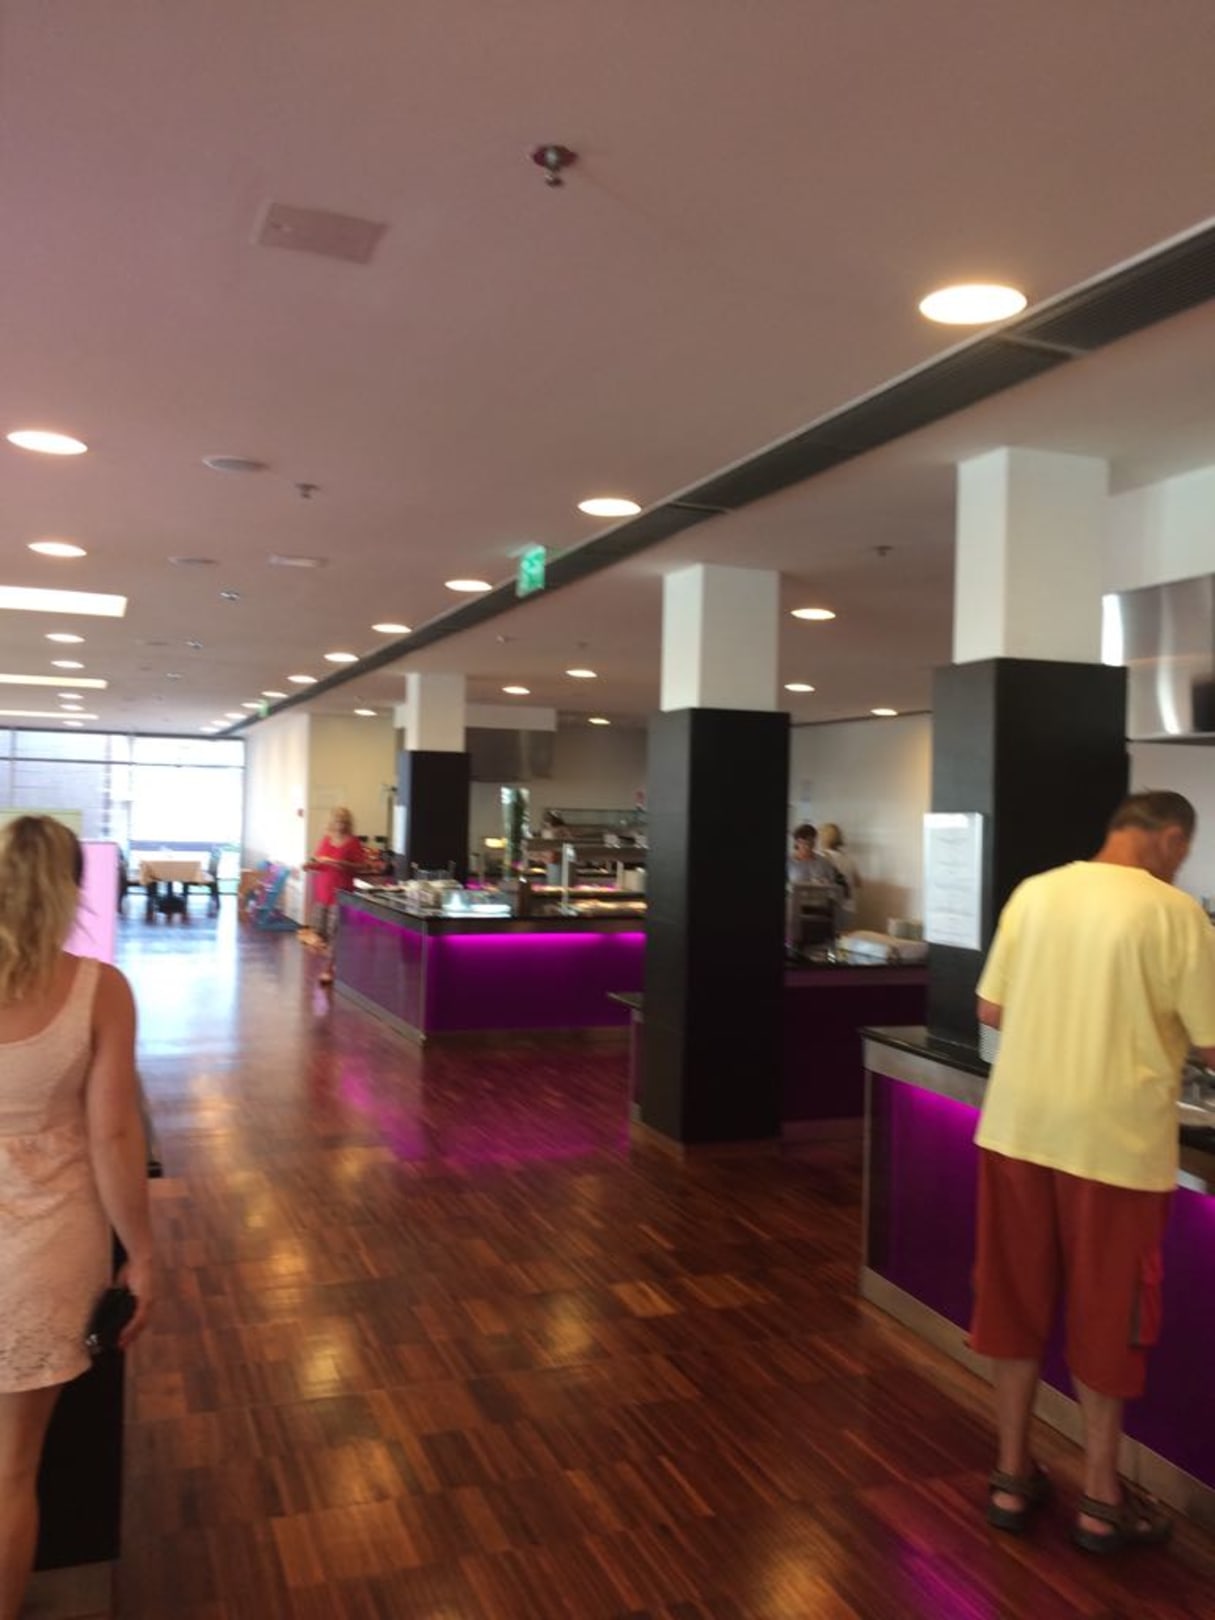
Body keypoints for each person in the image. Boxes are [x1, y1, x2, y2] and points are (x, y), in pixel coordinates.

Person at [972, 790, 1215, 1554]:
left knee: (1012, 1302)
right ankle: (1101, 1500)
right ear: (1168, 838)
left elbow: (990, 1009)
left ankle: (1011, 1476)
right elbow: (1212, 1044)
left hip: (1015, 1131)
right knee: (1109, 1316)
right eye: (1182, 852)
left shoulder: (1035, 892)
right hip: (1113, 1147)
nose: (1179, 865)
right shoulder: (1175, 914)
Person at [0, 816, 153, 1620]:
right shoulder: (99, 989)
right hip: (44, 1247)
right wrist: (144, 1253)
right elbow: (112, 1133)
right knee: (11, 1473)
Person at [303, 807, 366, 987]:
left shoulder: (353, 842)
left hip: (341, 894)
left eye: (343, 821)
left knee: (335, 933)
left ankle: (328, 968)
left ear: (348, 823)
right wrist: (310, 865)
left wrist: (339, 863)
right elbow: (319, 862)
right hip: (323, 893)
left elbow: (360, 866)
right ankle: (334, 963)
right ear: (332, 822)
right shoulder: (326, 839)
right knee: (319, 933)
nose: (340, 825)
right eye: (337, 821)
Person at [820, 822, 861, 927]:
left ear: (824, 839)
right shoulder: (848, 859)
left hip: (830, 907)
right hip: (848, 907)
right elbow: (858, 883)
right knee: (842, 937)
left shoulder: (821, 857)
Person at [787, 823, 841, 888]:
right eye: (803, 843)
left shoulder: (824, 862)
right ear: (796, 842)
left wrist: (827, 883)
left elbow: (834, 885)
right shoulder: (789, 862)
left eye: (810, 843)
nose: (807, 847)